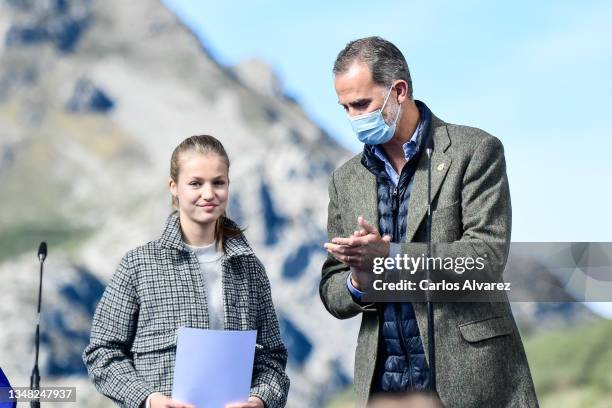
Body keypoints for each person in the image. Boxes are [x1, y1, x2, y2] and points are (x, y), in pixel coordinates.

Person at [319, 37, 538, 407]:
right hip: (385, 389)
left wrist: (391, 256)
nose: (354, 118)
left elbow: (484, 260)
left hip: (471, 382)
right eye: (345, 108)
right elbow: (332, 290)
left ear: (398, 90)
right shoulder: (345, 180)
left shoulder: (475, 151)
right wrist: (358, 279)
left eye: (362, 104)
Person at [83, 135, 289, 408]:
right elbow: (102, 352)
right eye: (195, 183)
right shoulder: (138, 265)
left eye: (218, 182)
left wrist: (260, 400)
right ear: (174, 187)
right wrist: (147, 399)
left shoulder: (251, 270)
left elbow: (272, 357)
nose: (208, 194)